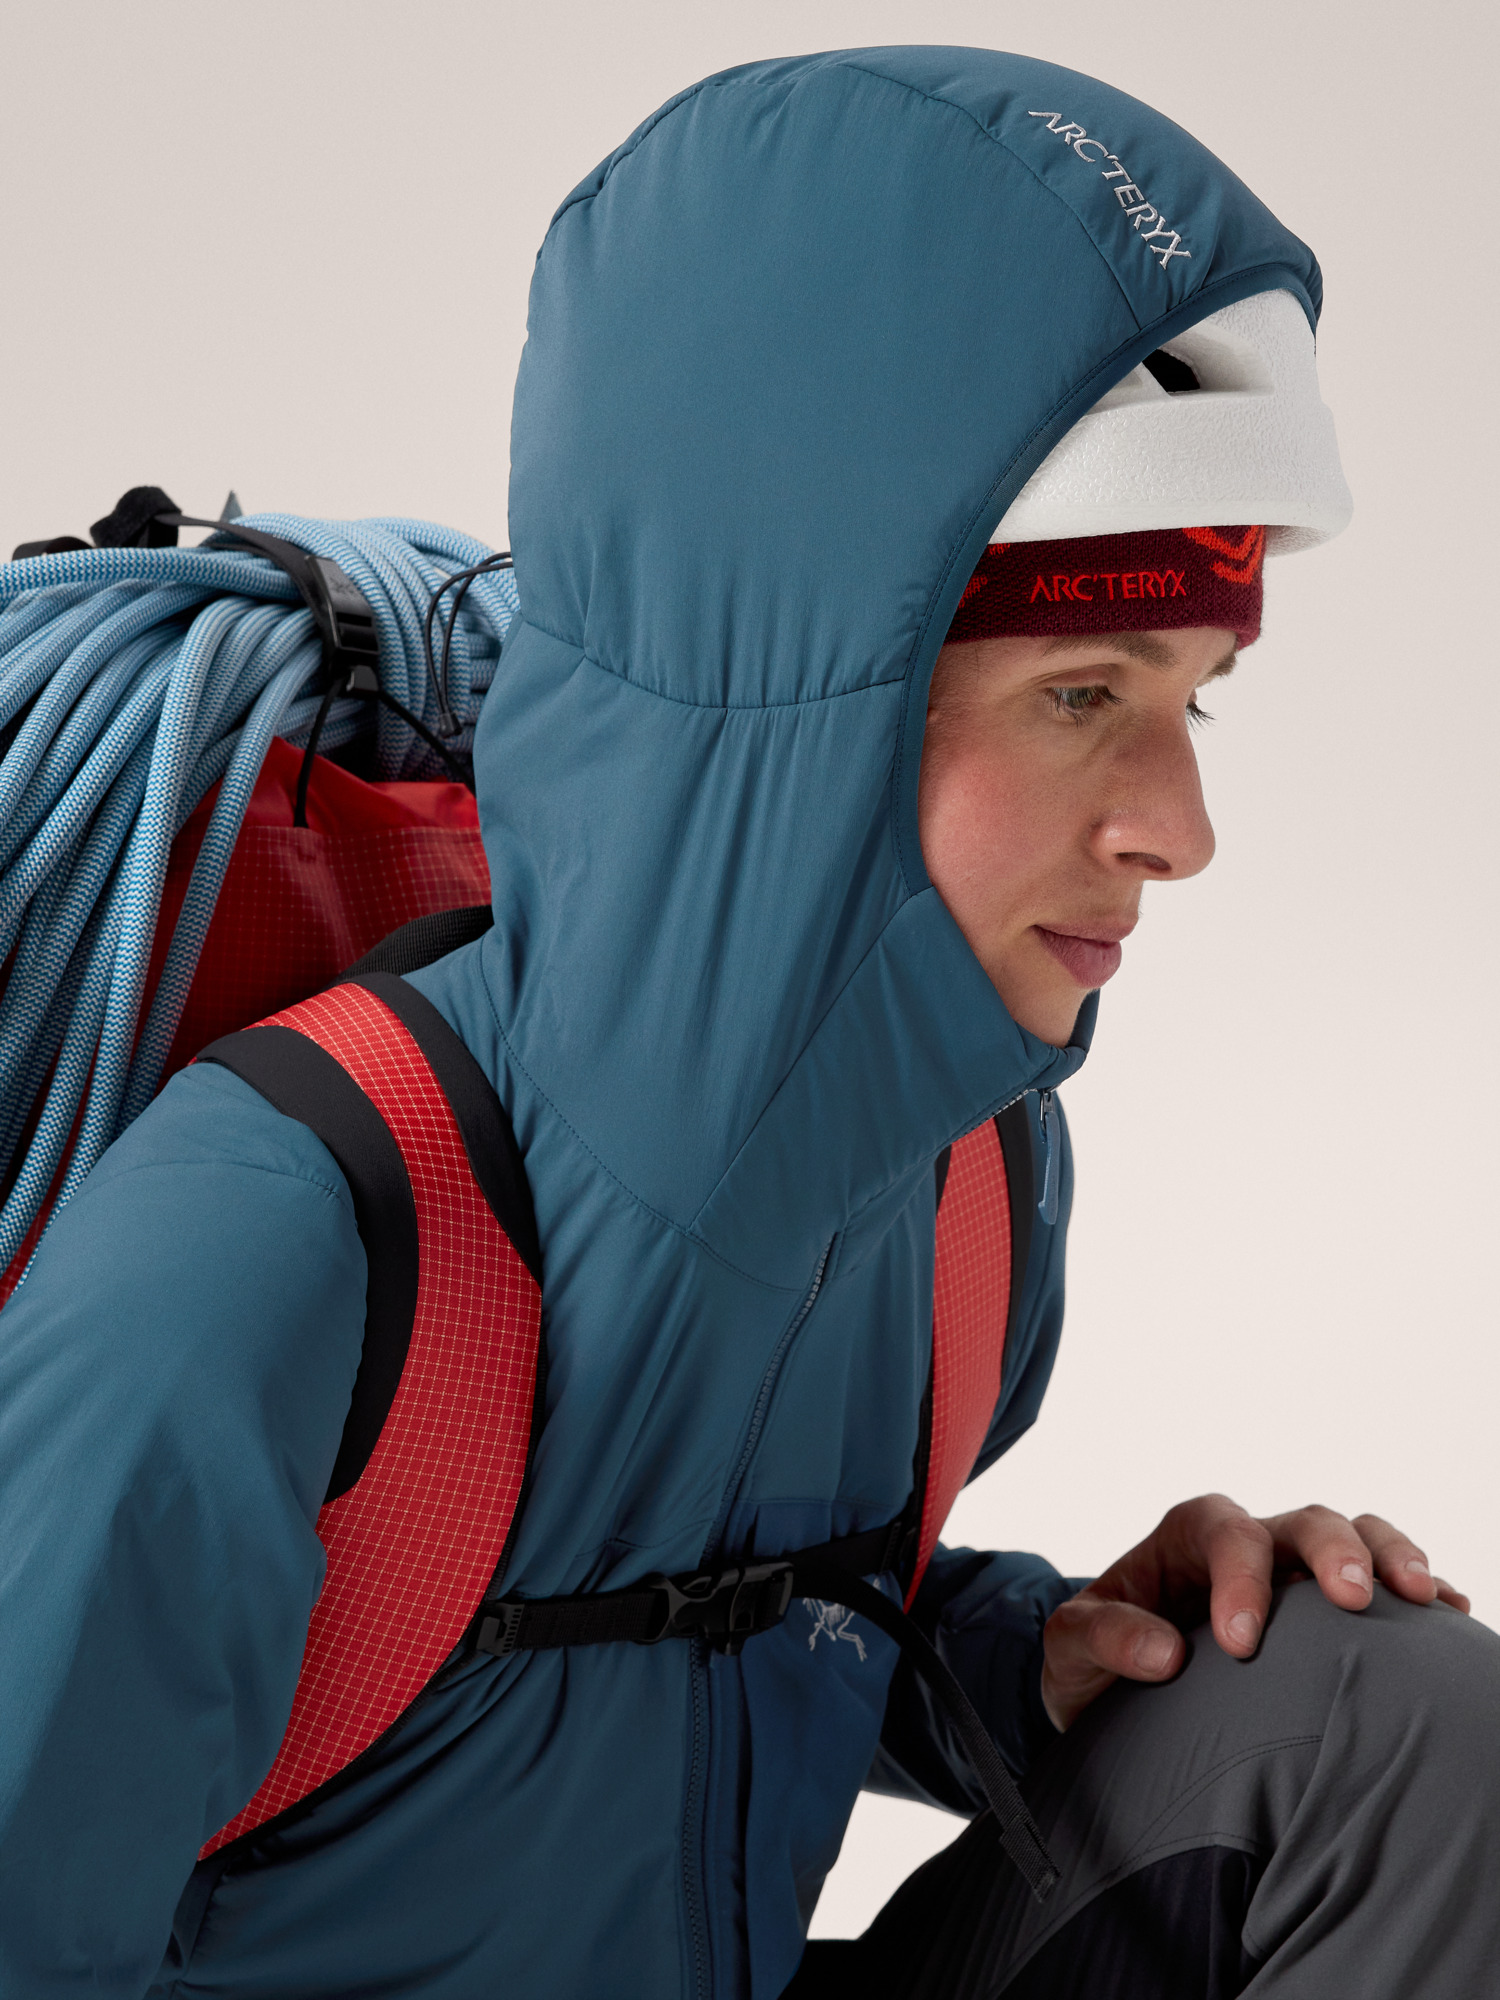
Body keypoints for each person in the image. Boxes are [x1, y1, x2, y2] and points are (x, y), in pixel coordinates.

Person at [0, 45, 1494, 2000]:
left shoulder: (966, 1191)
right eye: (1081, 698)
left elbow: (651, 1647)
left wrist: (1009, 1660)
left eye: (1190, 698)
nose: (1181, 828)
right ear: (805, 705)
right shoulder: (265, 1249)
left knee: (1380, 1726)